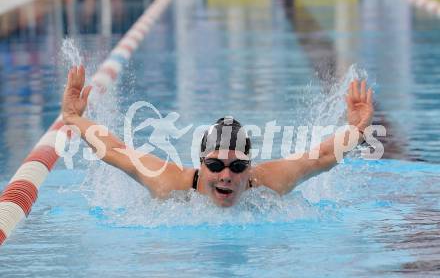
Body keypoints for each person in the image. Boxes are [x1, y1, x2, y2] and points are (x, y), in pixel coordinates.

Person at [62, 65, 374, 207]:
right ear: (200, 164)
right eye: (216, 165)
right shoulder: (170, 184)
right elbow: (115, 151)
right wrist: (74, 118)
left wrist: (356, 131)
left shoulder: (268, 182)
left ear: (249, 168)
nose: (226, 175)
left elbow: (319, 157)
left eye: (237, 167)